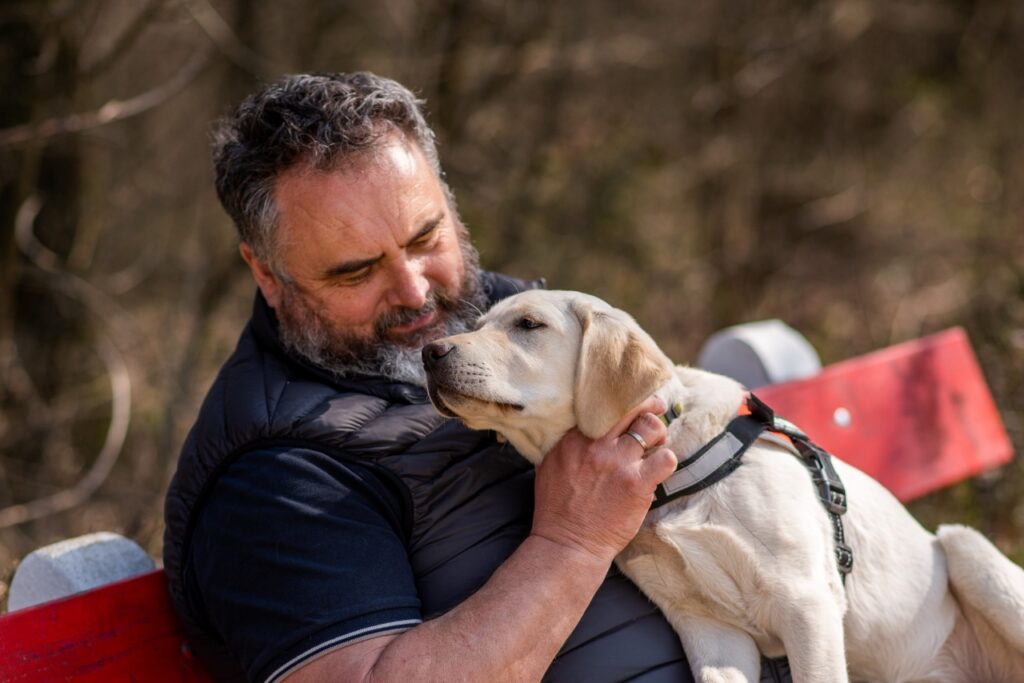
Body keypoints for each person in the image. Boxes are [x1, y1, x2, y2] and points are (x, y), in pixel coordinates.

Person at [163, 72, 789, 683]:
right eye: (356, 273)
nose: (414, 292)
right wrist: (571, 544)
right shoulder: (275, 481)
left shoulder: (524, 317)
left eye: (426, 236)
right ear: (268, 274)